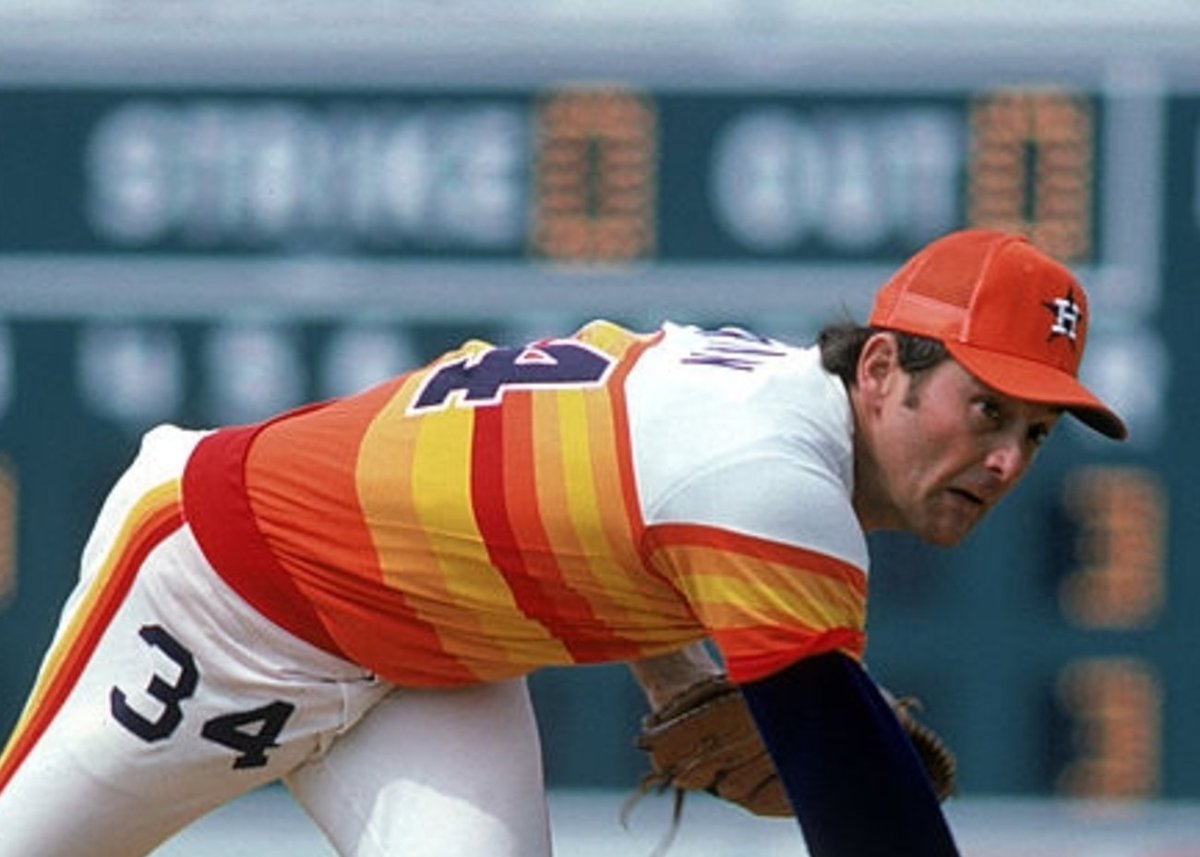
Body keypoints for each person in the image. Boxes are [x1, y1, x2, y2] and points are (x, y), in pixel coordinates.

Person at [0, 228, 1125, 857]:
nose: (1009, 460)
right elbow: (876, 835)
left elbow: (621, 495)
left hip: (426, 663)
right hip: (223, 586)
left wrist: (677, 676)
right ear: (880, 368)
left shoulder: (753, 401)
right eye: (986, 409)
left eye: (1036, 431)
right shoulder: (777, 485)